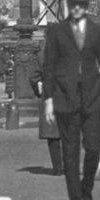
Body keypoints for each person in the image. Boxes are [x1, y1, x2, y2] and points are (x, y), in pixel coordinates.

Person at [42, 0, 100, 200]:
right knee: (71, 155)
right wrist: (48, 102)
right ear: (67, 5)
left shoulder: (97, 31)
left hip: (92, 99)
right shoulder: (56, 32)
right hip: (65, 100)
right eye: (72, 4)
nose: (75, 8)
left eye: (80, 5)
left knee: (94, 148)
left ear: (86, 7)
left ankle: (86, 191)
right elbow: (49, 68)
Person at [31, 42, 64, 175]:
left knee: (53, 134)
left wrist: (38, 91)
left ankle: (57, 168)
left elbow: (33, 77)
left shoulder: (41, 55)